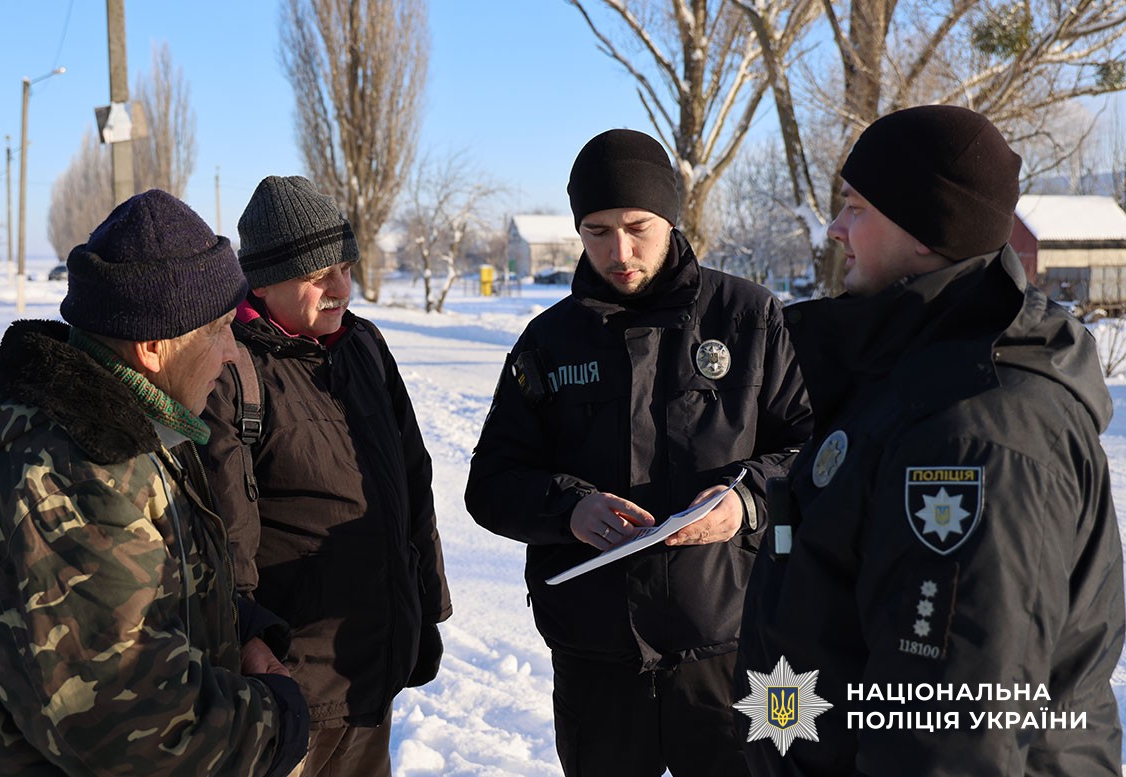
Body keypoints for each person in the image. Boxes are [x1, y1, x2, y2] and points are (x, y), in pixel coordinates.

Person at [737, 105, 1125, 776]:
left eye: (855, 207)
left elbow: (949, 737)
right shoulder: (910, 379)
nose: (834, 228)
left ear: (924, 232)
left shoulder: (976, 436)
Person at [465, 128, 813, 776]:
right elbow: (490, 482)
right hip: (596, 657)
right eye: (596, 230)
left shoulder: (748, 317)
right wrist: (568, 508)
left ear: (671, 218)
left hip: (732, 648)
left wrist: (745, 504)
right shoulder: (549, 341)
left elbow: (813, 451)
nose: (618, 250)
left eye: (637, 226)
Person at [0, 190, 309, 776]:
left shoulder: (132, 432)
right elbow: (135, 730)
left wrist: (237, 627)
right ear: (155, 347)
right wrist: (278, 721)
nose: (234, 353)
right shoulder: (62, 485)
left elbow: (150, 586)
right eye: (222, 329)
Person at [199, 175, 451, 777]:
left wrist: (427, 607)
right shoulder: (230, 369)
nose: (340, 288)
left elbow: (412, 479)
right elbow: (221, 534)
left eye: (345, 266)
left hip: (373, 664)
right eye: (318, 275)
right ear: (263, 280)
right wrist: (245, 642)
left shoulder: (365, 344)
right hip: (292, 685)